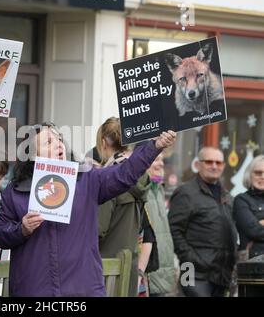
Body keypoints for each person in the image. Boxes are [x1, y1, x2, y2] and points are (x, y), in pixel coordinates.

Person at [0, 121, 176, 297]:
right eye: (49, 142)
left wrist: (154, 146)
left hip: (83, 289)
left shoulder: (86, 180)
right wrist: (22, 229)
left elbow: (125, 173)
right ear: (32, 154)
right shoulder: (15, 192)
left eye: (60, 139)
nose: (58, 145)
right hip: (34, 290)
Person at [96, 117, 155, 297]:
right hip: (128, 270)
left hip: (102, 274)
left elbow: (96, 230)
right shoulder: (139, 177)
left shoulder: (107, 178)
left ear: (103, 142)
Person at [168, 146, 237, 297]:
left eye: (218, 163)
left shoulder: (227, 196)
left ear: (223, 166)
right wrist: (193, 259)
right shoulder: (186, 193)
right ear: (198, 165)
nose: (214, 166)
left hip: (221, 275)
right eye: (209, 162)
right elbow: (173, 231)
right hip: (193, 273)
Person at [145, 153, 176, 297]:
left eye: (162, 160)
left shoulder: (158, 189)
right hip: (147, 275)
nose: (161, 164)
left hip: (162, 273)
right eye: (156, 159)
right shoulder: (141, 191)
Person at [233, 155, 264, 260]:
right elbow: (254, 231)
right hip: (253, 266)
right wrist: (257, 226)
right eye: (258, 173)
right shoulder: (241, 200)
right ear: (249, 175)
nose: (262, 176)